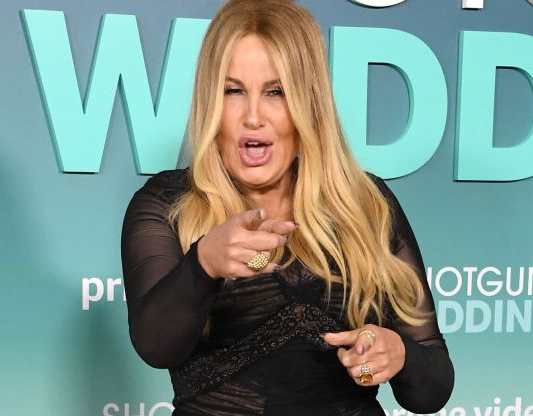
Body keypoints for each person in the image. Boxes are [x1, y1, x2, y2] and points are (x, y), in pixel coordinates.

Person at [121, 0, 454, 414]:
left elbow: (433, 389)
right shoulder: (168, 205)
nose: (254, 116)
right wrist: (203, 263)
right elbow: (156, 346)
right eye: (233, 90)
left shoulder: (366, 204)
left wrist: (398, 354)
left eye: (276, 92)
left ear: (309, 104)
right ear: (211, 102)